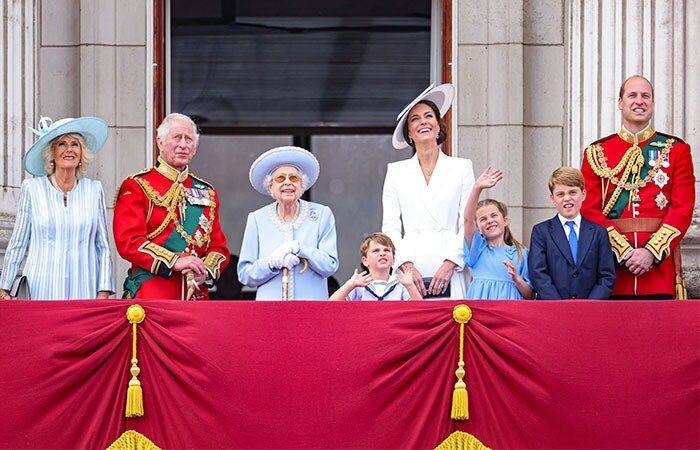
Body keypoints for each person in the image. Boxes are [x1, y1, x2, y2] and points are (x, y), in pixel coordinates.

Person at [580, 75, 695, 299]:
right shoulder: (597, 152)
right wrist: (623, 252)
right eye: (632, 95)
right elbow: (589, 209)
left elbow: (682, 209)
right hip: (612, 273)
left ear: (652, 103)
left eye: (646, 96)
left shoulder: (676, 150)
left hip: (658, 274)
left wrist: (651, 252)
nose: (639, 101)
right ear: (620, 102)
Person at [113, 113, 229, 300]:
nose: (183, 145)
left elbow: (219, 248)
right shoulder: (138, 185)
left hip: (196, 298)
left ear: (195, 148)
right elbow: (129, 241)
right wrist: (175, 261)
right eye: (177, 138)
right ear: (160, 142)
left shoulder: (207, 192)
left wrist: (206, 271)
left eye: (189, 139)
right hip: (152, 294)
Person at [0, 116, 114, 300]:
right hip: (42, 288)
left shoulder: (94, 190)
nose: (69, 149)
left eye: (75, 144)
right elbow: (18, 242)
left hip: (84, 289)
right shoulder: (32, 189)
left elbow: (103, 246)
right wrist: (3, 287)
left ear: (82, 153)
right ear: (51, 153)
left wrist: (104, 291)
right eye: (62, 144)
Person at [382, 83, 475, 299]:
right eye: (415, 119)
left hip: (451, 264)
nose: (423, 121)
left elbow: (468, 221)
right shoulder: (396, 172)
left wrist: (451, 262)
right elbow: (391, 226)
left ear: (438, 125)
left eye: (428, 116)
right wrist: (405, 264)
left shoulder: (462, 167)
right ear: (409, 133)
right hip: (411, 266)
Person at [238, 146, 338, 300]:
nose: (287, 183)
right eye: (280, 178)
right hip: (270, 311)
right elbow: (245, 275)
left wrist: (300, 249)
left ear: (302, 185)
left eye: (294, 178)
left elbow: (329, 265)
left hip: (311, 309)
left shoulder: (322, 214)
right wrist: (271, 263)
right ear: (270, 186)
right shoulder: (257, 219)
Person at [529, 167, 616, 300]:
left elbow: (607, 275)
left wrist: (589, 305)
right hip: (553, 309)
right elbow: (538, 273)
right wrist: (559, 306)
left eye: (573, 192)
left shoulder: (598, 233)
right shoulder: (541, 232)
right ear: (552, 198)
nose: (567, 198)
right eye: (560, 194)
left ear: (583, 194)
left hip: (589, 310)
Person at [463, 168, 534, 300]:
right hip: (482, 311)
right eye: (483, 219)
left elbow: (530, 295)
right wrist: (477, 188)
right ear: (478, 228)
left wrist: (517, 279)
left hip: (510, 312)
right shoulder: (478, 249)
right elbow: (467, 220)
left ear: (505, 220)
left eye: (494, 215)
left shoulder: (521, 253)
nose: (489, 221)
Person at [330, 232, 422, 301]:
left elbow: (420, 312)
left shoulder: (401, 284)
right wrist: (350, 284)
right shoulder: (359, 285)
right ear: (365, 261)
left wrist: (410, 286)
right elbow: (330, 305)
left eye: (386, 250)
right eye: (376, 251)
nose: (382, 253)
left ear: (393, 259)